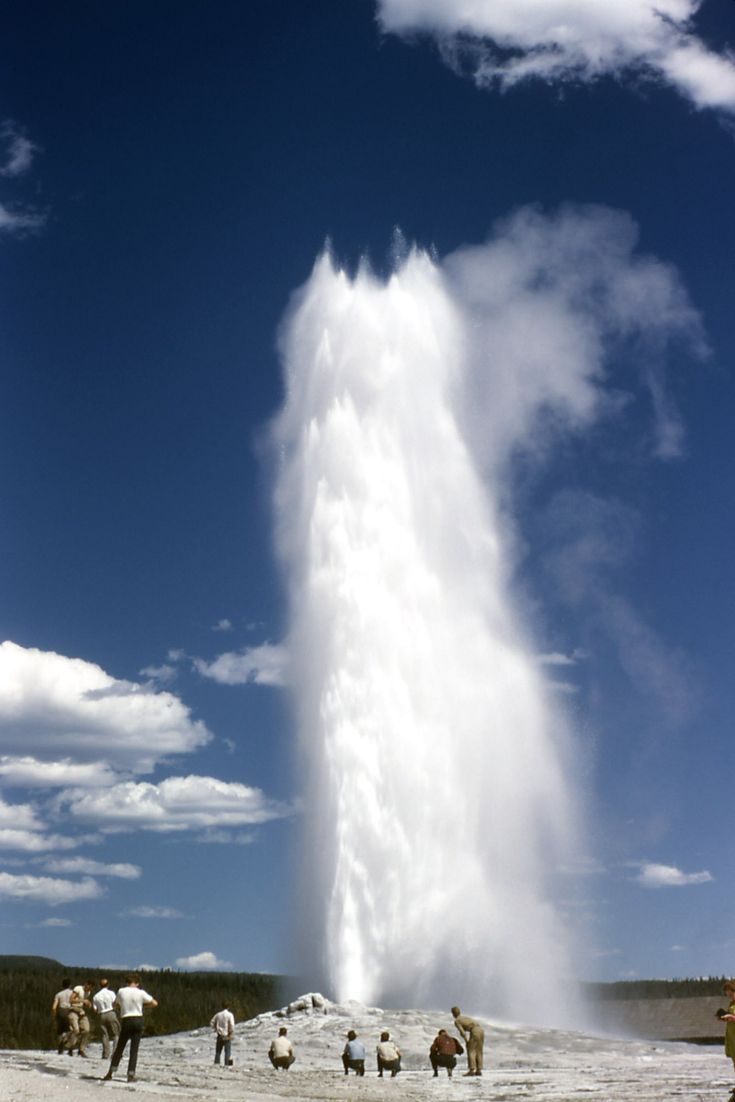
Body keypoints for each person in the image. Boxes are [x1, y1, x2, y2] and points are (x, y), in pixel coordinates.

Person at [102, 974, 158, 1083]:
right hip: (138, 1019)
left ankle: (110, 1072)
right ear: (137, 983)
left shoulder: (121, 991)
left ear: (127, 982)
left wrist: (122, 1006)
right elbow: (154, 1003)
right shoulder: (141, 992)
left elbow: (115, 1005)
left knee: (120, 1047)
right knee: (134, 1050)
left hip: (126, 1019)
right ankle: (131, 1075)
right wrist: (143, 1005)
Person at [451, 1005, 485, 1077]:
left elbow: (462, 1032)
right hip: (481, 1030)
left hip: (474, 1031)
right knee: (479, 1050)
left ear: (453, 1014)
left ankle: (472, 1070)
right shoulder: (465, 1017)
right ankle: (479, 1070)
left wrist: (466, 1041)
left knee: (471, 1050)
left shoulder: (457, 1020)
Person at [93, 978, 120, 1060]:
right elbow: (115, 1003)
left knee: (104, 1035)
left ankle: (105, 1054)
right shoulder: (111, 993)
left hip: (102, 1014)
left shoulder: (96, 996)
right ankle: (115, 1053)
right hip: (111, 1012)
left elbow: (95, 1009)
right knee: (116, 1033)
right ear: (108, 984)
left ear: (99, 985)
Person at [719, 981, 735, 1097]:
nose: (730, 996)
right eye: (728, 994)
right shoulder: (731, 1004)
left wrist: (731, 1017)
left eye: (731, 993)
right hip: (732, 1037)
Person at [51, 978, 75, 1053]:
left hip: (61, 1011)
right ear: (70, 985)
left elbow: (54, 1007)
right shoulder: (73, 993)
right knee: (72, 1029)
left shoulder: (58, 994)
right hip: (70, 1011)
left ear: (62, 985)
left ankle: (60, 1048)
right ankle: (70, 1047)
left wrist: (54, 1016)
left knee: (60, 1031)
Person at [210, 1001, 235, 1066]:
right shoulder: (230, 1015)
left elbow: (212, 1022)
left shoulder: (218, 1014)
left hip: (219, 1034)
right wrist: (230, 1032)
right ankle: (226, 1064)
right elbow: (232, 1025)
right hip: (227, 1034)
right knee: (227, 1051)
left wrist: (215, 1029)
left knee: (218, 1051)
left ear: (222, 1006)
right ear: (228, 1007)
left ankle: (216, 1063)